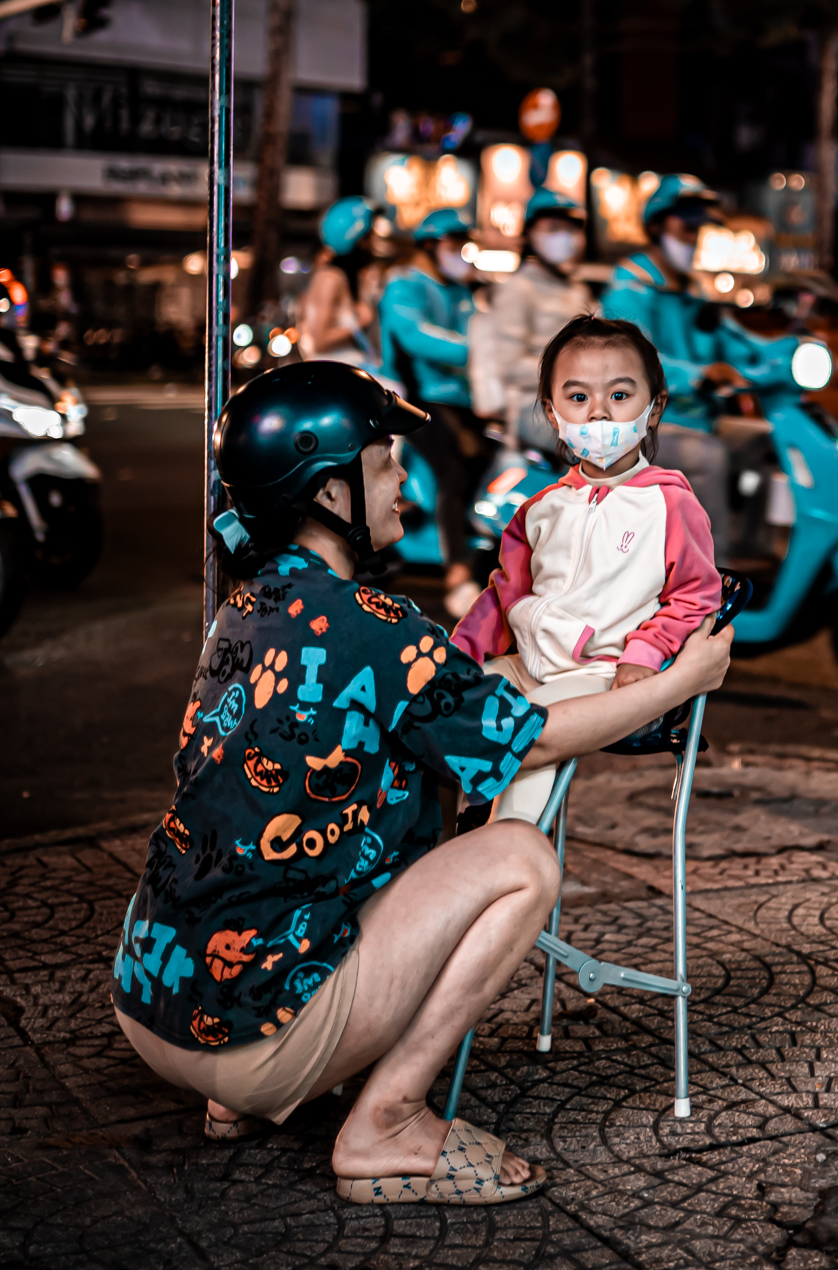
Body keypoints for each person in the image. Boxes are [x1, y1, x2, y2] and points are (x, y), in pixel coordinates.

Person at [110, 361, 731, 1206]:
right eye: (385, 461)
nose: (406, 477)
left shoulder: (246, 606)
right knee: (519, 860)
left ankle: (238, 1101)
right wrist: (681, 680)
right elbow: (532, 741)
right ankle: (387, 1124)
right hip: (251, 1041)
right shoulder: (377, 628)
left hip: (152, 1003)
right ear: (330, 494)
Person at [454, 314, 722, 822]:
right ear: (554, 416)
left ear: (655, 406)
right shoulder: (539, 509)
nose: (598, 414)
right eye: (578, 399)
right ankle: (451, 839)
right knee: (447, 707)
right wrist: (458, 655)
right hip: (530, 665)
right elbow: (502, 597)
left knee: (528, 734)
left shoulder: (670, 505)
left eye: (619, 396)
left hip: (604, 674)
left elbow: (695, 595)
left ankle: (506, 842)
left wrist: (644, 654)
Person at [601, 174, 750, 559]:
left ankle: (758, 554)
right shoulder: (630, 287)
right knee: (710, 458)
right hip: (647, 423)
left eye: (698, 231)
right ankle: (714, 577)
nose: (692, 239)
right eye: (685, 227)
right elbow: (634, 363)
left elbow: (731, 339)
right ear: (657, 225)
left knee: (762, 444)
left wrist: (779, 353)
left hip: (697, 417)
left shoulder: (694, 290)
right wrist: (700, 375)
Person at [379, 207, 489, 620]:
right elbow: (414, 337)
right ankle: (457, 574)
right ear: (429, 244)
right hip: (415, 398)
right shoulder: (403, 285)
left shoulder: (461, 290)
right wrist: (476, 352)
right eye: (454, 243)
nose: (461, 251)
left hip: (462, 399)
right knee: (452, 469)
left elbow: (480, 330)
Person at [489, 188, 596, 455]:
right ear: (529, 234)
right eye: (553, 228)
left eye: (571, 230)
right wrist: (573, 378)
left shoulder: (578, 290)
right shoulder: (518, 288)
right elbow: (510, 365)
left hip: (582, 403)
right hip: (534, 406)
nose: (564, 237)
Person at [298, 198, 381, 366]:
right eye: (370, 235)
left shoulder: (349, 278)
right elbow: (319, 342)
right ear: (356, 238)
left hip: (350, 374)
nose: (375, 242)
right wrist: (359, 326)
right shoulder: (330, 277)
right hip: (335, 379)